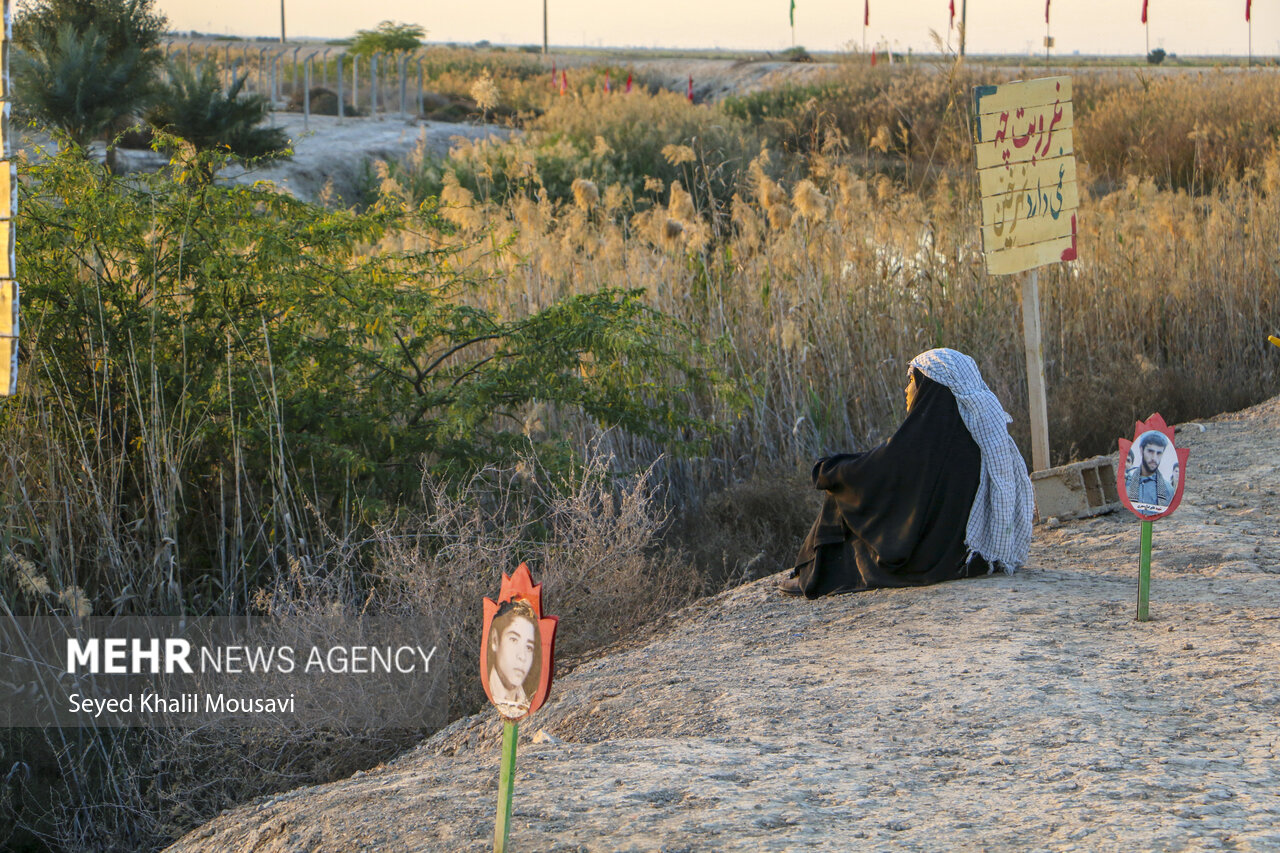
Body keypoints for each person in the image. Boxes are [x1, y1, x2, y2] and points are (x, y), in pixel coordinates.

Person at [779, 348, 1034, 598]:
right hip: (965, 556)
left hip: (931, 561)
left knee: (842, 492)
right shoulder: (981, 437)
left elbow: (876, 473)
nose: (907, 389)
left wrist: (829, 471)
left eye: (912, 380)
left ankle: (814, 575)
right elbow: (888, 465)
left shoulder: (925, 439)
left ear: (932, 387)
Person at [486, 599, 541, 717]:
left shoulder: (526, 701)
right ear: (495, 639)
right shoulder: (492, 693)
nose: (522, 656)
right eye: (513, 640)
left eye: (529, 647)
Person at [1125, 431, 1173, 508]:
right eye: (1150, 451)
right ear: (1141, 450)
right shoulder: (1126, 484)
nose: (1154, 458)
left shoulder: (1168, 489)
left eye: (1159, 453)